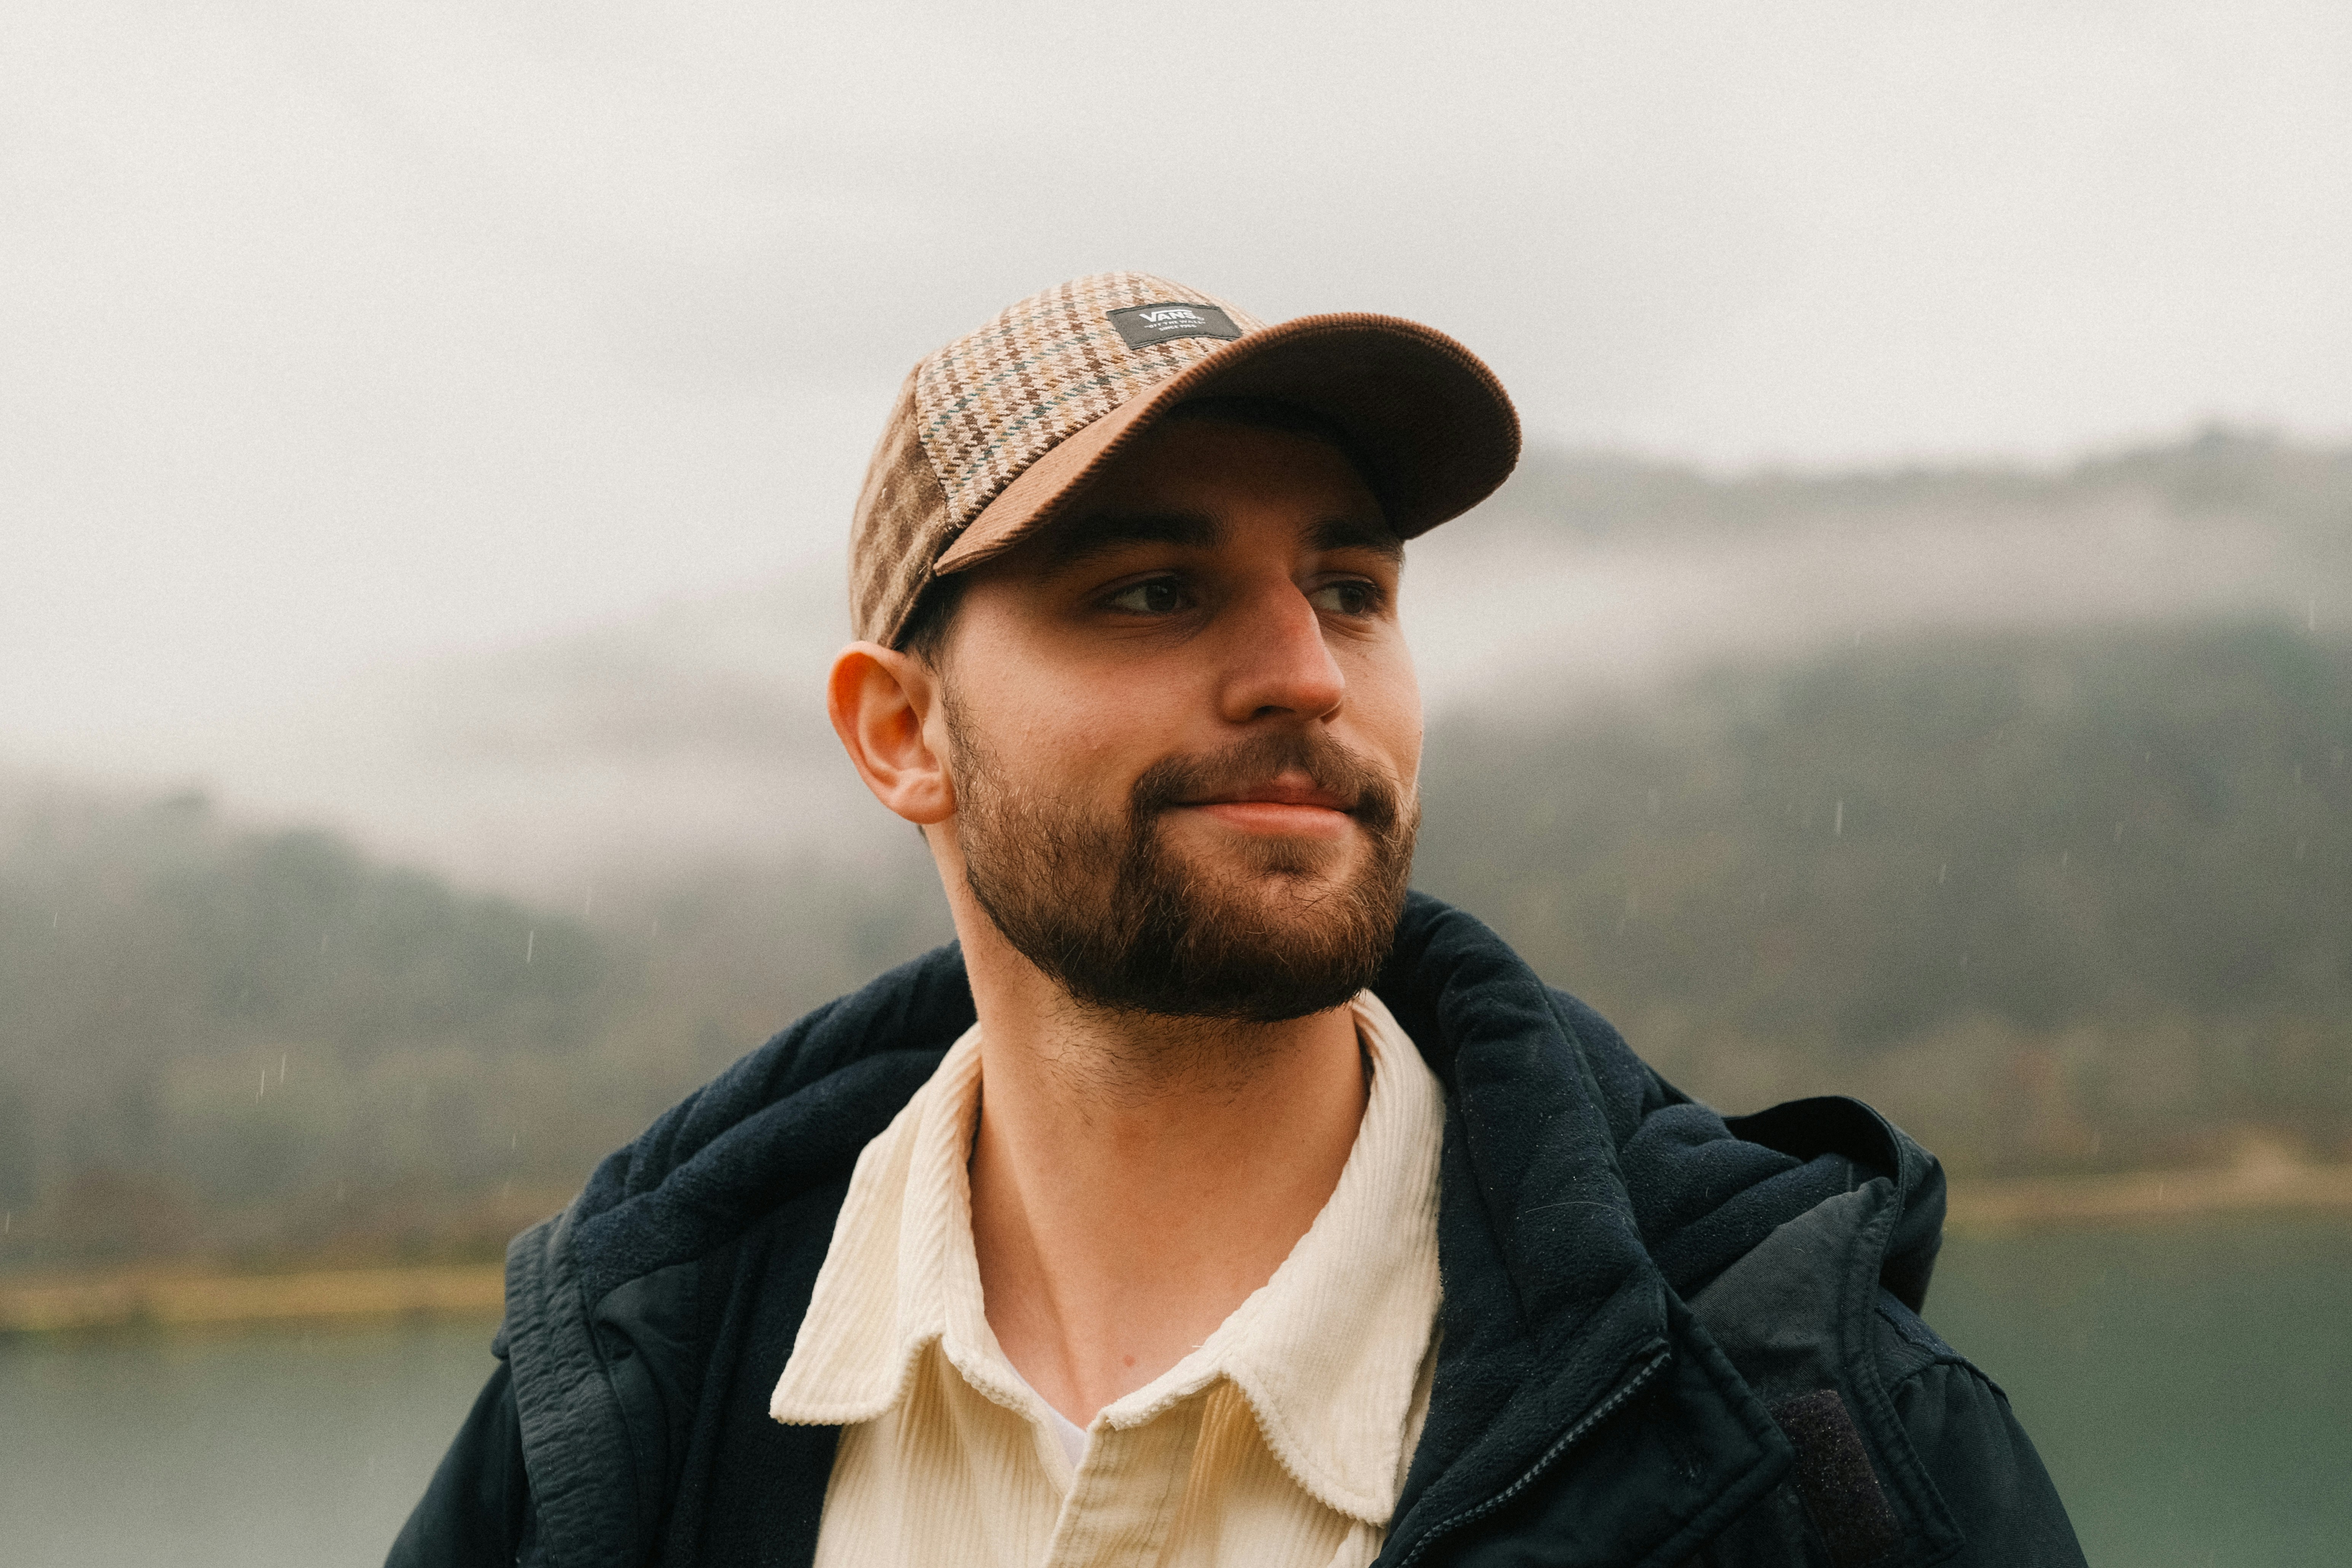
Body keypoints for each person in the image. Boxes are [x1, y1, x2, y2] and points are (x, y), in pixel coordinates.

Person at [391, 272, 2084, 1567]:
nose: (1303, 670)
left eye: (1350, 589)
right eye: (1151, 590)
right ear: (903, 733)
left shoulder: (1812, 1429)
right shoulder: (626, 1404)